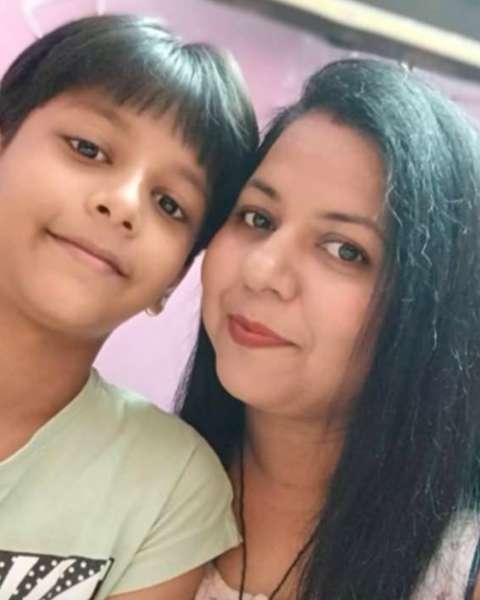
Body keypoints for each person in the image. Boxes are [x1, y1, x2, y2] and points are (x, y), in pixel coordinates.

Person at [177, 59, 480, 599]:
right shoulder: (135, 479)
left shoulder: (459, 569)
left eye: (345, 250)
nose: (262, 270)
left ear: (433, 312)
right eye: (258, 218)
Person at [0, 13, 258, 600]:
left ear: (175, 277)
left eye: (170, 204)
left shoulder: (168, 485)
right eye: (88, 149)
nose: (122, 204)